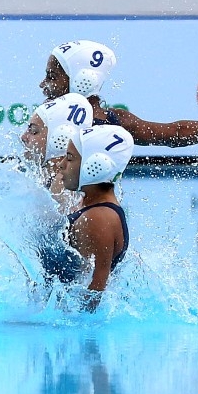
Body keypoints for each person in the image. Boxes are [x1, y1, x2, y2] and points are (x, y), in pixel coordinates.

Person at [38, 39, 198, 146]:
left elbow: (176, 133)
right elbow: (176, 133)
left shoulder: (112, 122)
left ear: (82, 80)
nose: (42, 85)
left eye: (51, 77)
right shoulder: (113, 121)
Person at [41, 124, 136, 310]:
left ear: (95, 166)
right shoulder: (90, 207)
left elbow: (92, 296)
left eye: (70, 158)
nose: (61, 165)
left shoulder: (99, 218)